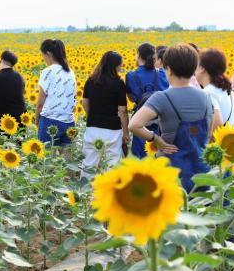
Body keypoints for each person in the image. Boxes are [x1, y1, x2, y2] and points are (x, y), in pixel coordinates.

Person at [129, 43, 213, 193]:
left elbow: (134, 125)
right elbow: (208, 131)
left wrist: (155, 139)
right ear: (194, 68)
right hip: (201, 170)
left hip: (172, 171)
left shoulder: (161, 98)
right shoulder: (205, 96)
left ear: (168, 69)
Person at [81, 51, 129, 179]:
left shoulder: (91, 80)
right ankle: (112, 195)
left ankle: (83, 193)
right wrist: (126, 132)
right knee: (113, 165)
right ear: (115, 66)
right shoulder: (118, 83)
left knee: (89, 164)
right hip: (112, 130)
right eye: (120, 65)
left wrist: (92, 115)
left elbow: (84, 102)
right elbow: (123, 111)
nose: (121, 68)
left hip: (93, 128)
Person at [125, 43, 169, 158]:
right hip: (161, 122)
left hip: (140, 122)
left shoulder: (131, 76)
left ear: (138, 55)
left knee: (140, 159)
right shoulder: (161, 73)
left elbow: (131, 97)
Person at [35, 39, 76, 147]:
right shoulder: (70, 72)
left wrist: (37, 122)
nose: (43, 58)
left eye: (43, 55)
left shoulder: (47, 72)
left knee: (46, 159)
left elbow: (40, 103)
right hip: (69, 122)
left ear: (48, 53)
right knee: (67, 159)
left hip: (50, 121)